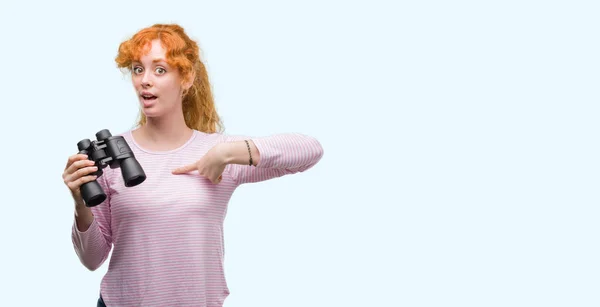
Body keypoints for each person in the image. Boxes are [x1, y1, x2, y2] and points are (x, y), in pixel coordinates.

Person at [62, 23, 323, 307]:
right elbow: (91, 259)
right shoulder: (114, 157)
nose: (144, 80)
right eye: (138, 69)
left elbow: (309, 150)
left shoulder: (218, 153)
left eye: (159, 70)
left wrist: (227, 153)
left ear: (186, 78)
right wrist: (80, 204)